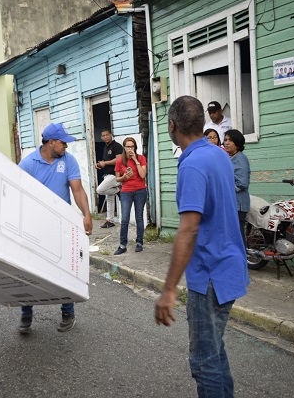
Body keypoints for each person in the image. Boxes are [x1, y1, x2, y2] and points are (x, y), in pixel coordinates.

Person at [154, 96, 249, 397]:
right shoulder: (219, 155)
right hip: (230, 267)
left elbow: (189, 228)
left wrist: (169, 289)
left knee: (203, 361)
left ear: (172, 125)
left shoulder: (192, 165)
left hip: (210, 277)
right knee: (215, 351)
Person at [18, 123, 93, 333]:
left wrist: (86, 214)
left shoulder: (68, 160)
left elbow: (77, 190)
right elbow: (18, 193)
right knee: (30, 269)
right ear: (51, 142)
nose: (66, 147)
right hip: (35, 224)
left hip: (62, 225)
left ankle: (68, 311)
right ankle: (26, 313)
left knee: (65, 267)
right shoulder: (28, 164)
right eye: (63, 142)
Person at [113, 137, 147, 254]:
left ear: (135, 147)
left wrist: (135, 160)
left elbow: (143, 175)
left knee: (139, 217)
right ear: (124, 147)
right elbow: (117, 179)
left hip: (140, 191)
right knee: (125, 218)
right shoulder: (120, 161)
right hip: (126, 191)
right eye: (127, 146)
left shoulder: (141, 158)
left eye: (132, 146)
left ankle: (139, 242)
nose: (130, 149)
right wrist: (124, 177)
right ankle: (122, 245)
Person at [224, 129, 250, 247]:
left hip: (238, 205)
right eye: (225, 140)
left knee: (237, 238)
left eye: (231, 140)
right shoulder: (231, 158)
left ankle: (241, 263)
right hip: (232, 204)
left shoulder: (240, 158)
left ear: (238, 143)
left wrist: (223, 190)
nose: (227, 143)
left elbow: (242, 183)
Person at [95, 129, 124, 228]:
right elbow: (105, 161)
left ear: (111, 135)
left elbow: (119, 160)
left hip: (114, 175)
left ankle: (117, 189)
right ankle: (110, 220)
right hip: (106, 174)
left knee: (100, 190)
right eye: (103, 135)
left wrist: (105, 163)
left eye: (107, 135)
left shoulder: (117, 146)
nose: (105, 137)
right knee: (109, 198)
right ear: (101, 137)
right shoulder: (105, 148)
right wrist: (100, 165)